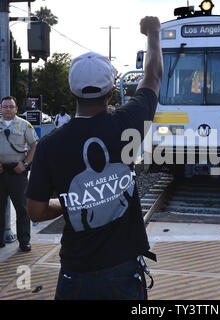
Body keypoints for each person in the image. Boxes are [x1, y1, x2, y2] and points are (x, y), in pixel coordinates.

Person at [26, 16, 163, 300]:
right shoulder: (129, 122)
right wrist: (153, 32)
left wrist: (72, 203)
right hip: (124, 273)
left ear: (71, 92)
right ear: (111, 93)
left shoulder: (49, 146)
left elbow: (35, 212)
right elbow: (152, 77)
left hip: (75, 274)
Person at [0, 96, 38, 251]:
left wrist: (25, 164)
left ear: (16, 109)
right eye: (5, 106)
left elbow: (34, 144)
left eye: (11, 106)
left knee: (22, 208)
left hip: (17, 171)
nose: (8, 109)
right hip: (0, 171)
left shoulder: (24, 125)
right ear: (1, 109)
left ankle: (24, 240)